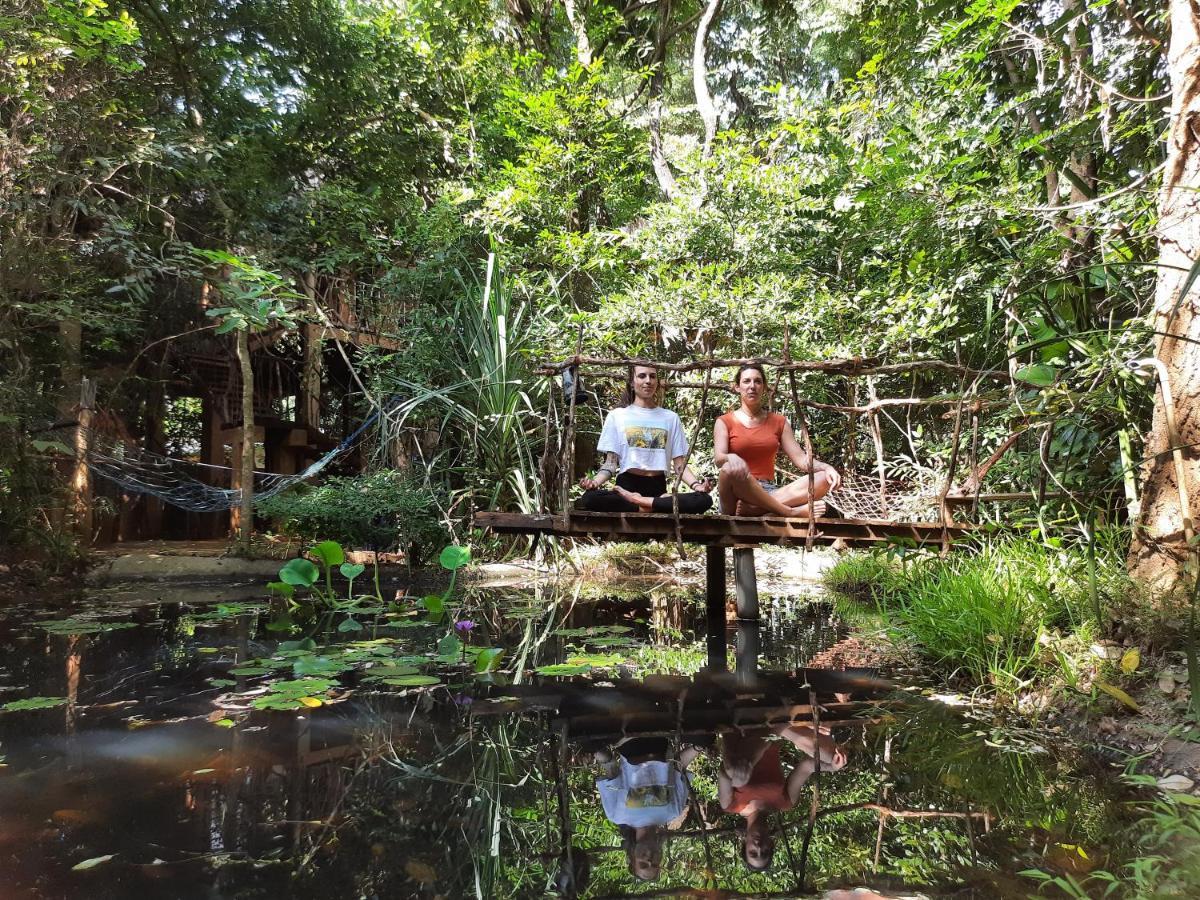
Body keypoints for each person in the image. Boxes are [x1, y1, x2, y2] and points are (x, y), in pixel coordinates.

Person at [576, 364, 714, 514]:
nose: (648, 381)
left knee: (704, 500)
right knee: (590, 498)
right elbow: (610, 464)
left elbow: (680, 465)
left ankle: (639, 503)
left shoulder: (670, 418)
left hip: (657, 487)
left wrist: (697, 486)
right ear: (632, 381)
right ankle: (656, 506)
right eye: (642, 376)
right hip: (626, 488)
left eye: (652, 376)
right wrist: (594, 482)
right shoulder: (617, 416)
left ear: (657, 382)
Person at [714, 363, 841, 517]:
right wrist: (731, 457)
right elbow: (719, 458)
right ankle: (788, 511)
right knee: (728, 469)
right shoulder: (724, 421)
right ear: (737, 387)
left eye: (758, 381)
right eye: (746, 381)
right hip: (737, 494)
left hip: (768, 491)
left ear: (765, 388)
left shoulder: (779, 422)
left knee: (824, 479)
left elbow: (801, 459)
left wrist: (826, 467)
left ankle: (755, 509)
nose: (752, 386)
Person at [718, 724, 847, 871]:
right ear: (771, 844)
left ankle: (782, 722)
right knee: (829, 755)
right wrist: (832, 768)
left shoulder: (730, 805)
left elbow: (724, 772)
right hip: (771, 733)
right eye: (764, 852)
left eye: (753, 853)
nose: (759, 847)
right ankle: (782, 723)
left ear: (744, 843)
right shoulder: (785, 802)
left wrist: (740, 772)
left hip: (739, 731)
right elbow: (807, 767)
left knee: (736, 776)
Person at [593, 738, 702, 881]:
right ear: (661, 857)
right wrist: (698, 747)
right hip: (660, 738)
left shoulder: (616, 816)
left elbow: (611, 768)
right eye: (655, 864)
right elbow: (677, 767)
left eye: (643, 864)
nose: (650, 860)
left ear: (632, 857)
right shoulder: (673, 812)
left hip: (626, 740)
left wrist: (594, 749)